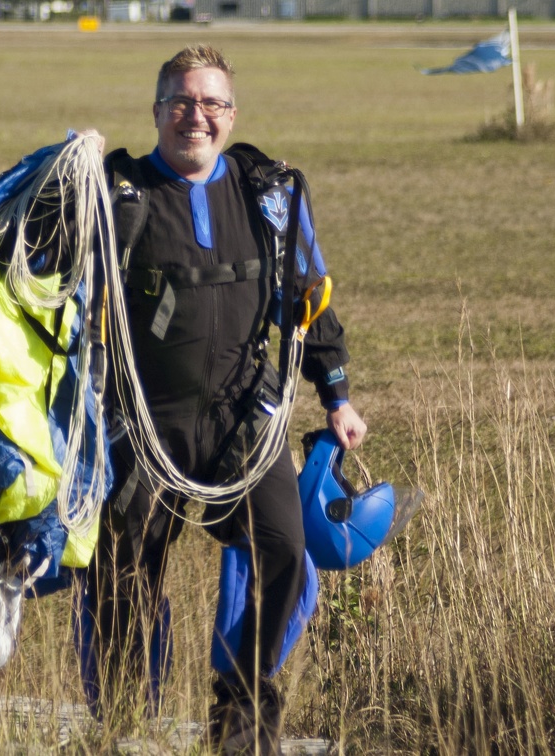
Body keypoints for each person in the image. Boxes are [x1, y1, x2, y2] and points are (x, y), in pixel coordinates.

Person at [71, 45, 367, 754]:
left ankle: (236, 725)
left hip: (244, 420)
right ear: (155, 111)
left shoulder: (270, 194)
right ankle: (115, 728)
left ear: (231, 115)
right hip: (143, 424)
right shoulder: (116, 197)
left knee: (284, 552)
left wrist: (336, 395)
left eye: (210, 103)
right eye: (179, 101)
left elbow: (309, 299)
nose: (194, 116)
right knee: (120, 576)